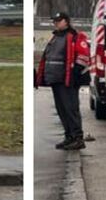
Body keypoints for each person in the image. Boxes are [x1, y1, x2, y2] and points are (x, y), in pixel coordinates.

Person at [35, 12, 91, 150]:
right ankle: (69, 137)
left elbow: (84, 56)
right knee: (62, 110)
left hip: (68, 80)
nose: (56, 23)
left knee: (70, 109)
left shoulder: (75, 37)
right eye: (55, 21)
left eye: (58, 21)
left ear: (66, 21)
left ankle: (77, 138)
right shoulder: (55, 37)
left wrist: (74, 73)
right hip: (56, 80)